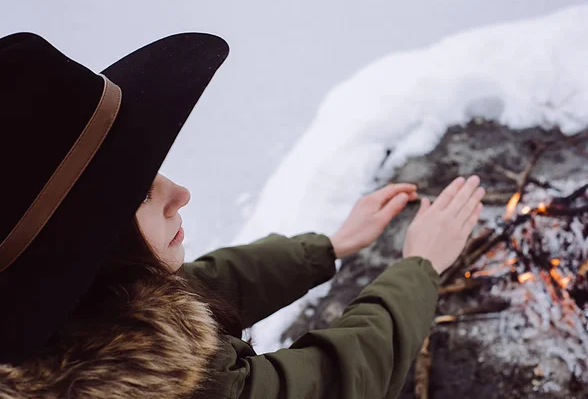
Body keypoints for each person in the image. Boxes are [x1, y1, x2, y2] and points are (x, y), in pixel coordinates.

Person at [0, 32, 485, 399]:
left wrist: (328, 246)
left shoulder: (71, 314)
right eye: (141, 195)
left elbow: (204, 285)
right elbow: (337, 377)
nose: (180, 193)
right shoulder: (176, 388)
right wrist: (420, 266)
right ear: (86, 250)